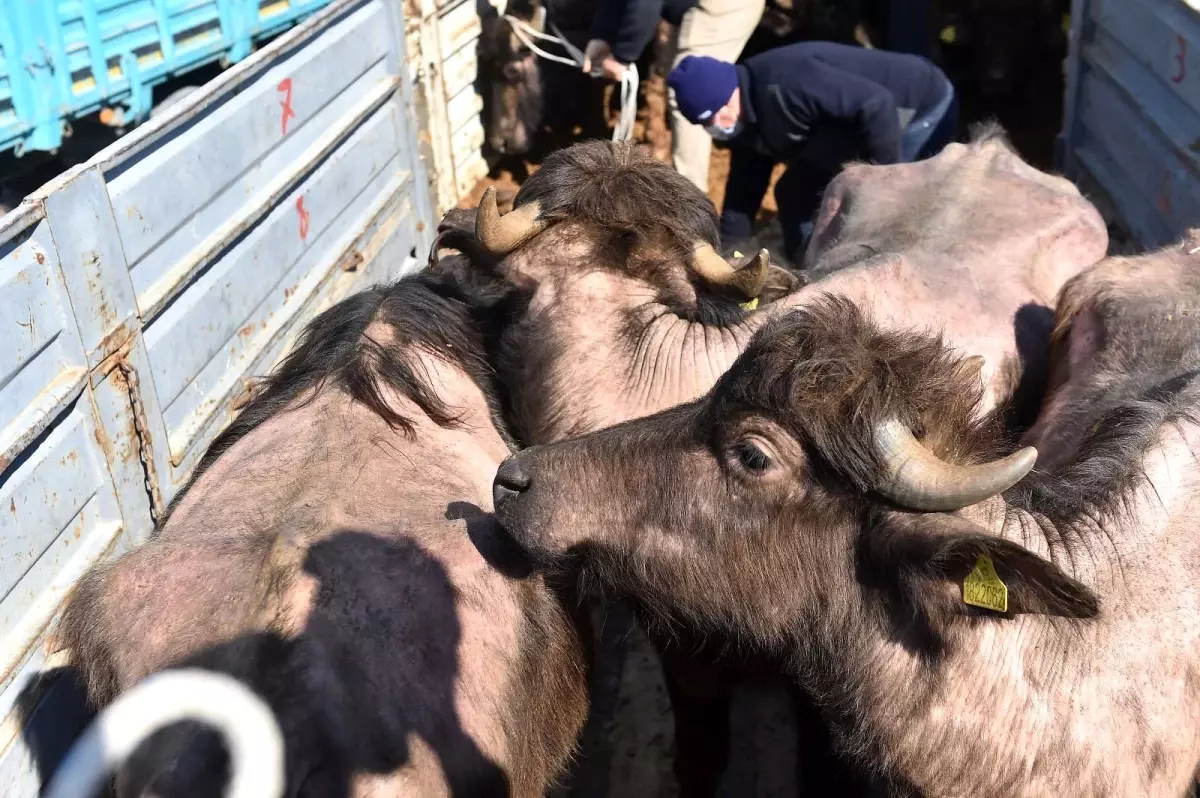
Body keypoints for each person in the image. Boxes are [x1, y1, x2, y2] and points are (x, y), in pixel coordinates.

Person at [667, 41, 958, 263]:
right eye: (705, 123)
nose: (717, 126)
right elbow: (743, 194)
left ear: (732, 91)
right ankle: (810, 269)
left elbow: (876, 106)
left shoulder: (788, 83)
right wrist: (724, 257)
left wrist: (882, 186)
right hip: (845, 131)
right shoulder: (745, 122)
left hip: (915, 107)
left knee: (882, 214)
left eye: (718, 114)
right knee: (792, 193)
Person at [582, 0, 765, 192]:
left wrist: (622, 56)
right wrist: (602, 36)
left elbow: (644, 3)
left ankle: (689, 199)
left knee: (693, 94)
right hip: (692, 7)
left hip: (723, 6)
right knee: (676, 79)